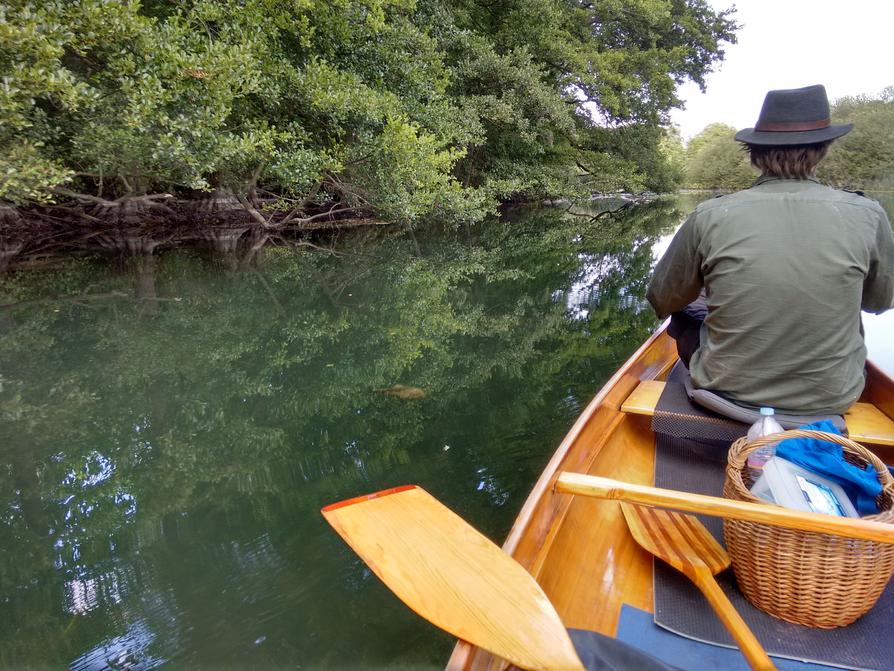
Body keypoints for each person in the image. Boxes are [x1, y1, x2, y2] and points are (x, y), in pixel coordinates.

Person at [647, 84, 894, 416]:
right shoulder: (868, 215)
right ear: (823, 150)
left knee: (686, 310)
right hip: (833, 396)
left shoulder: (711, 215)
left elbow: (661, 299)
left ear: (756, 154)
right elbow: (879, 302)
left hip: (726, 390)